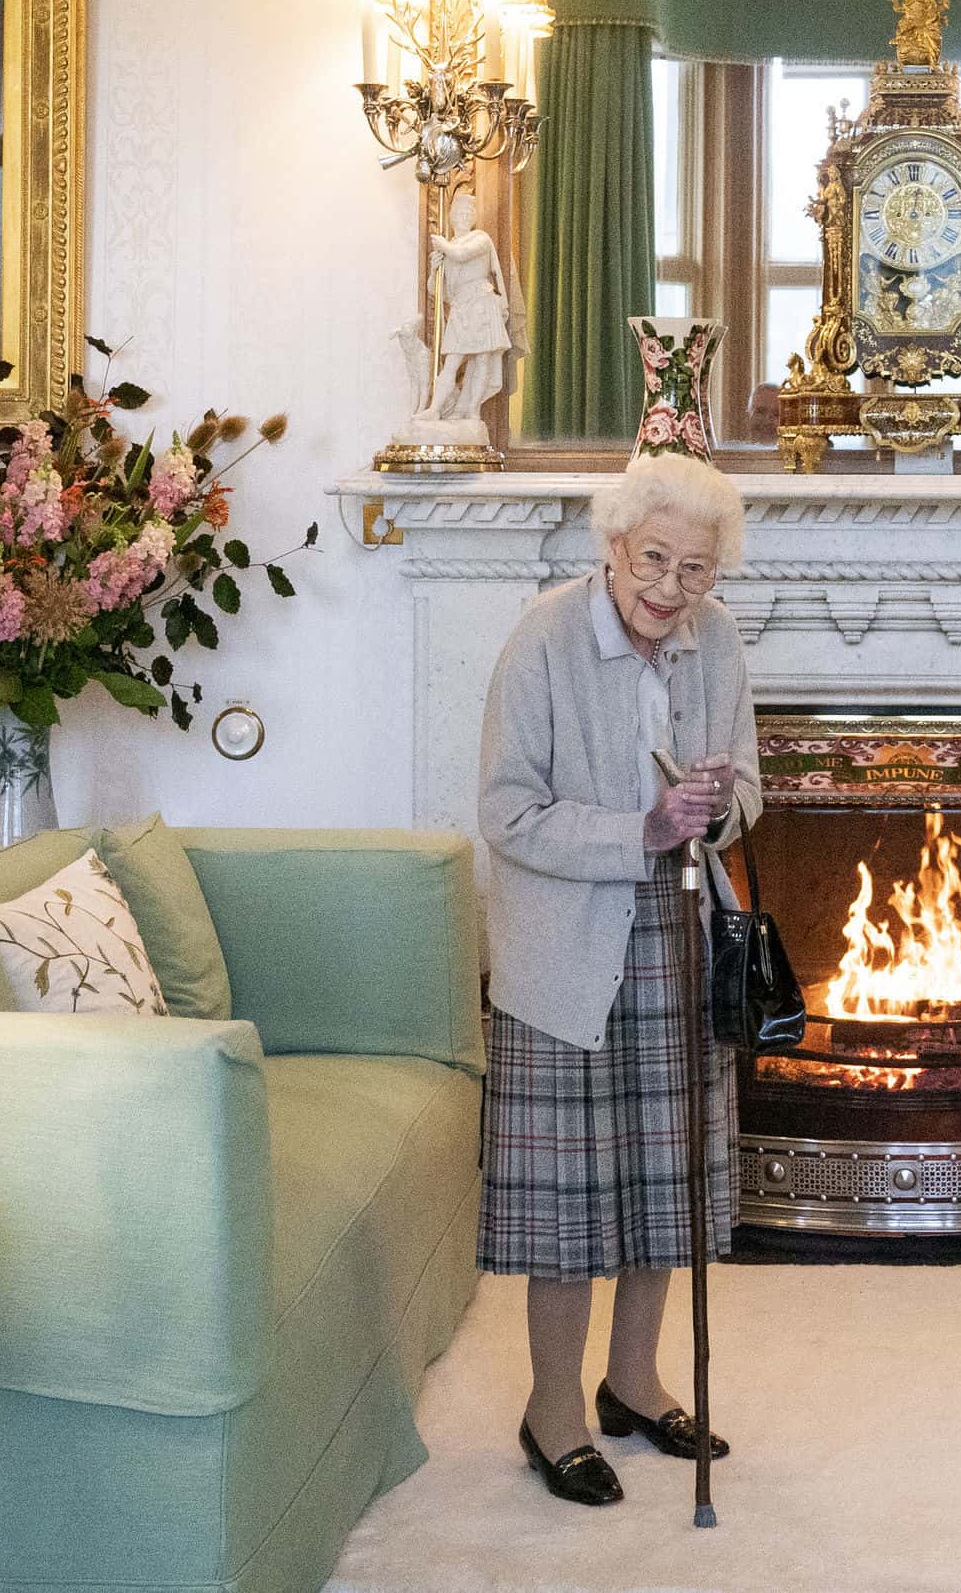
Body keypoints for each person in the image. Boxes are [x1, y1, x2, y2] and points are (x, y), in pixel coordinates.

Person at [476, 452, 758, 1508]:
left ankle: (630, 1382)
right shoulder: (544, 637)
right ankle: (551, 1408)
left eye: (693, 567)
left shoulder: (715, 637)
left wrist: (716, 804)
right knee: (571, 1202)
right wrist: (639, 827)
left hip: (680, 934)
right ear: (612, 546)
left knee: (661, 1179)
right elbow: (504, 812)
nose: (670, 587)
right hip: (564, 948)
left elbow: (749, 787)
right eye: (654, 559)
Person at [424, 192, 525, 423]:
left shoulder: (480, 238)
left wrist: (444, 247)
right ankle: (435, 408)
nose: (464, 215)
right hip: (461, 308)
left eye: (469, 212)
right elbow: (436, 290)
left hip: (482, 305)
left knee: (482, 360)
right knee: (452, 361)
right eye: (460, 212)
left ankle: (472, 411)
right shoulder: (447, 248)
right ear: (451, 216)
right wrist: (434, 269)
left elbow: (461, 254)